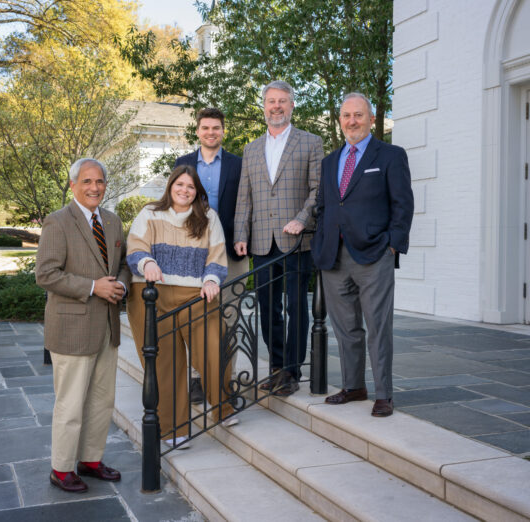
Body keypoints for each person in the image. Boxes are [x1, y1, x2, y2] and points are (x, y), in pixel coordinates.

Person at [312, 92, 414, 417]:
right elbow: (325, 206)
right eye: (346, 116)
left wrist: (393, 244)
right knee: (345, 329)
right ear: (339, 120)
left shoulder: (390, 155)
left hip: (374, 255)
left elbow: (403, 204)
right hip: (334, 257)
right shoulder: (330, 161)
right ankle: (354, 386)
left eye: (359, 115)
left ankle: (384, 393)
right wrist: (320, 243)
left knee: (378, 326)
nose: (352, 121)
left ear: (371, 119)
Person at [36, 158, 131, 492]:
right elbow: (46, 274)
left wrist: (121, 284)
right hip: (73, 328)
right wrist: (94, 287)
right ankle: (61, 469)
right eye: (87, 181)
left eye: (100, 182)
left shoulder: (113, 221)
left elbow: (123, 266)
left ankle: (90, 459)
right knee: (71, 403)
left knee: (102, 400)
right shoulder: (58, 222)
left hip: (107, 327)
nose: (94, 188)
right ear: (73, 184)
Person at [126, 165, 236, 448]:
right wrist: (147, 262)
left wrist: (212, 279)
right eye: (180, 185)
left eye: (190, 186)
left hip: (196, 295)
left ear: (196, 191)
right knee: (165, 363)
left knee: (215, 345)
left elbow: (217, 254)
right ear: (170, 187)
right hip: (151, 295)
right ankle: (173, 430)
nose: (184, 190)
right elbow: (135, 246)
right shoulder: (150, 212)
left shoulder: (209, 217)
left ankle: (222, 406)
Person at [234, 80, 323, 396]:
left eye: (282, 101)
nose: (276, 106)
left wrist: (302, 219)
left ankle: (292, 372)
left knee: (297, 306)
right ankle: (275, 366)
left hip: (296, 241)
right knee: (267, 306)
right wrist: (241, 233)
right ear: (264, 106)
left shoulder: (310, 142)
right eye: (271, 101)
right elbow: (245, 196)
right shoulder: (251, 148)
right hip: (261, 240)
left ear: (292, 105)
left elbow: (318, 189)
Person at [175, 107, 246, 404]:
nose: (210, 133)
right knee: (195, 318)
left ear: (223, 131)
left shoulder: (238, 165)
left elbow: (246, 204)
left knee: (229, 317)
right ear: (198, 131)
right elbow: (174, 205)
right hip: (193, 253)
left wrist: (243, 236)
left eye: (216, 128)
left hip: (231, 251)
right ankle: (196, 379)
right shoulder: (183, 164)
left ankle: (225, 381)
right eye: (205, 128)